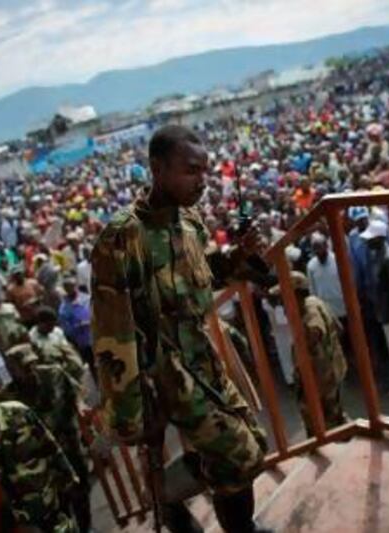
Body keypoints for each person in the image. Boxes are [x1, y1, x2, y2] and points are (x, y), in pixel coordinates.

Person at [91, 125, 268, 533]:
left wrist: (238, 256)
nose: (202, 181)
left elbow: (204, 273)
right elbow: (113, 333)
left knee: (251, 443)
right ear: (157, 168)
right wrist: (131, 413)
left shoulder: (188, 222)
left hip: (200, 358)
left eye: (205, 171)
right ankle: (170, 500)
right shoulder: (122, 237)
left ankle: (180, 502)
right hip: (162, 373)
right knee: (238, 454)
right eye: (191, 170)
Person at [0, 374, 79, 531]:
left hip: (46, 493)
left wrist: (68, 476)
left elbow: (48, 442)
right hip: (18, 514)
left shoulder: (17, 412)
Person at [2, 344, 91, 532]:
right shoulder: (9, 397)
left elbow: (76, 393)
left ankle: (86, 528)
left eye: (32, 364)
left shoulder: (54, 373)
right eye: (24, 368)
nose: (30, 370)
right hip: (44, 456)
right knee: (59, 500)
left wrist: (81, 407)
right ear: (11, 370)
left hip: (68, 442)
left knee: (81, 490)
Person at [272, 271, 348, 436]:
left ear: (296, 295)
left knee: (324, 426)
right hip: (331, 372)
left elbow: (315, 331)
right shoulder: (316, 301)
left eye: (284, 298)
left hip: (321, 381)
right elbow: (339, 328)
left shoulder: (308, 313)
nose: (282, 304)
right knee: (335, 418)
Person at [360, 219, 389, 389]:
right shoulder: (377, 254)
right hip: (382, 310)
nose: (367, 242)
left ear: (380, 239)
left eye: (371, 239)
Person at [30, 306, 85, 382]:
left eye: (53, 324)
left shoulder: (57, 332)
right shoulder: (32, 337)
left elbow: (66, 348)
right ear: (40, 323)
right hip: (48, 369)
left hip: (64, 362)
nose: (52, 328)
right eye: (49, 325)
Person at [58, 278, 95, 379]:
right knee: (93, 365)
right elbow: (66, 329)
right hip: (83, 341)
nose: (72, 290)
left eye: (73, 287)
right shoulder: (64, 308)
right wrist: (78, 326)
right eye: (68, 288)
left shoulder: (87, 298)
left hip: (96, 336)